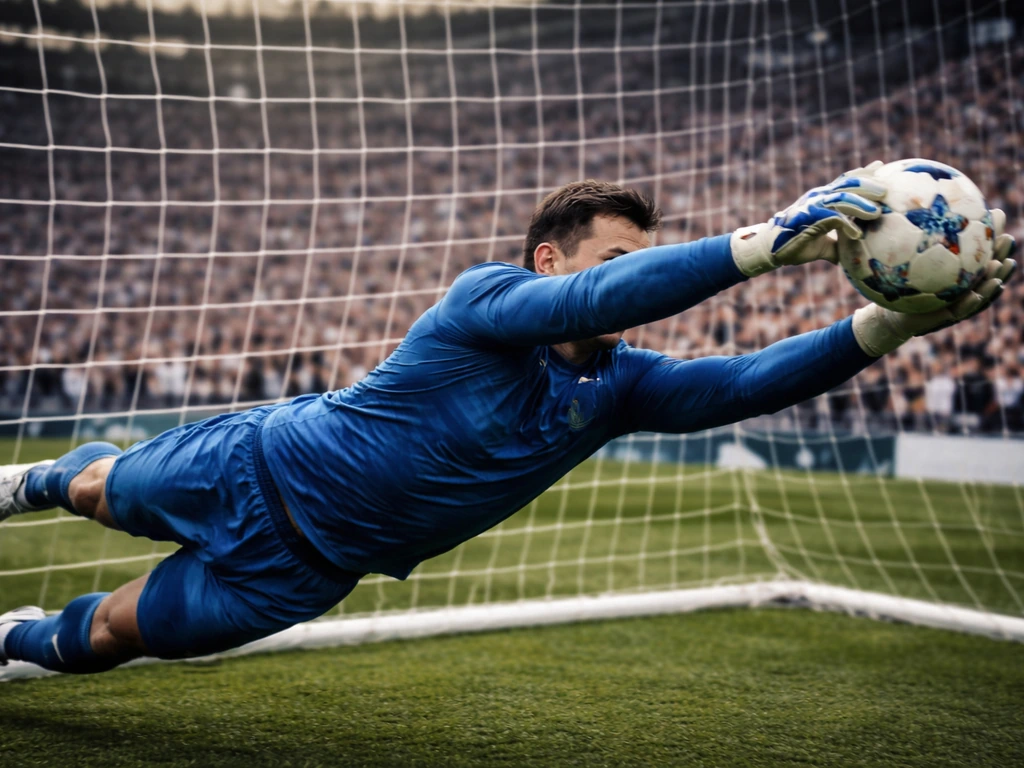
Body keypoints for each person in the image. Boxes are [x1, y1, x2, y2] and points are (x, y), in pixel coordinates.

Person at [0, 166, 1016, 674]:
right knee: (97, 489)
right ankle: (31, 482)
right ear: (551, 260)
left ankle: (12, 636)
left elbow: (742, 385)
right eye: (614, 263)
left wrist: (882, 326)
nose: (625, 288)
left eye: (638, 267)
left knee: (99, 642)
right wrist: (756, 246)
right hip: (251, 467)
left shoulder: (620, 386)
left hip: (304, 570)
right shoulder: (484, 304)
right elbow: (588, 307)